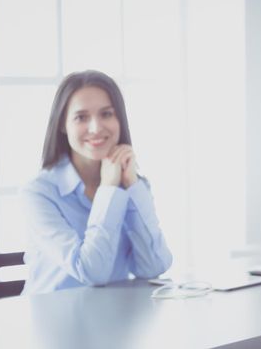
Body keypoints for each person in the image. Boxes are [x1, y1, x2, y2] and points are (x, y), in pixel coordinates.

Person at [20, 70, 172, 294]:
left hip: (113, 318)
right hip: (52, 321)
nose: (96, 128)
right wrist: (109, 189)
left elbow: (154, 267)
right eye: (81, 117)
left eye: (107, 114)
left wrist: (131, 186)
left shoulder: (133, 183)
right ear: (63, 124)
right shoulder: (39, 192)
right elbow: (91, 272)